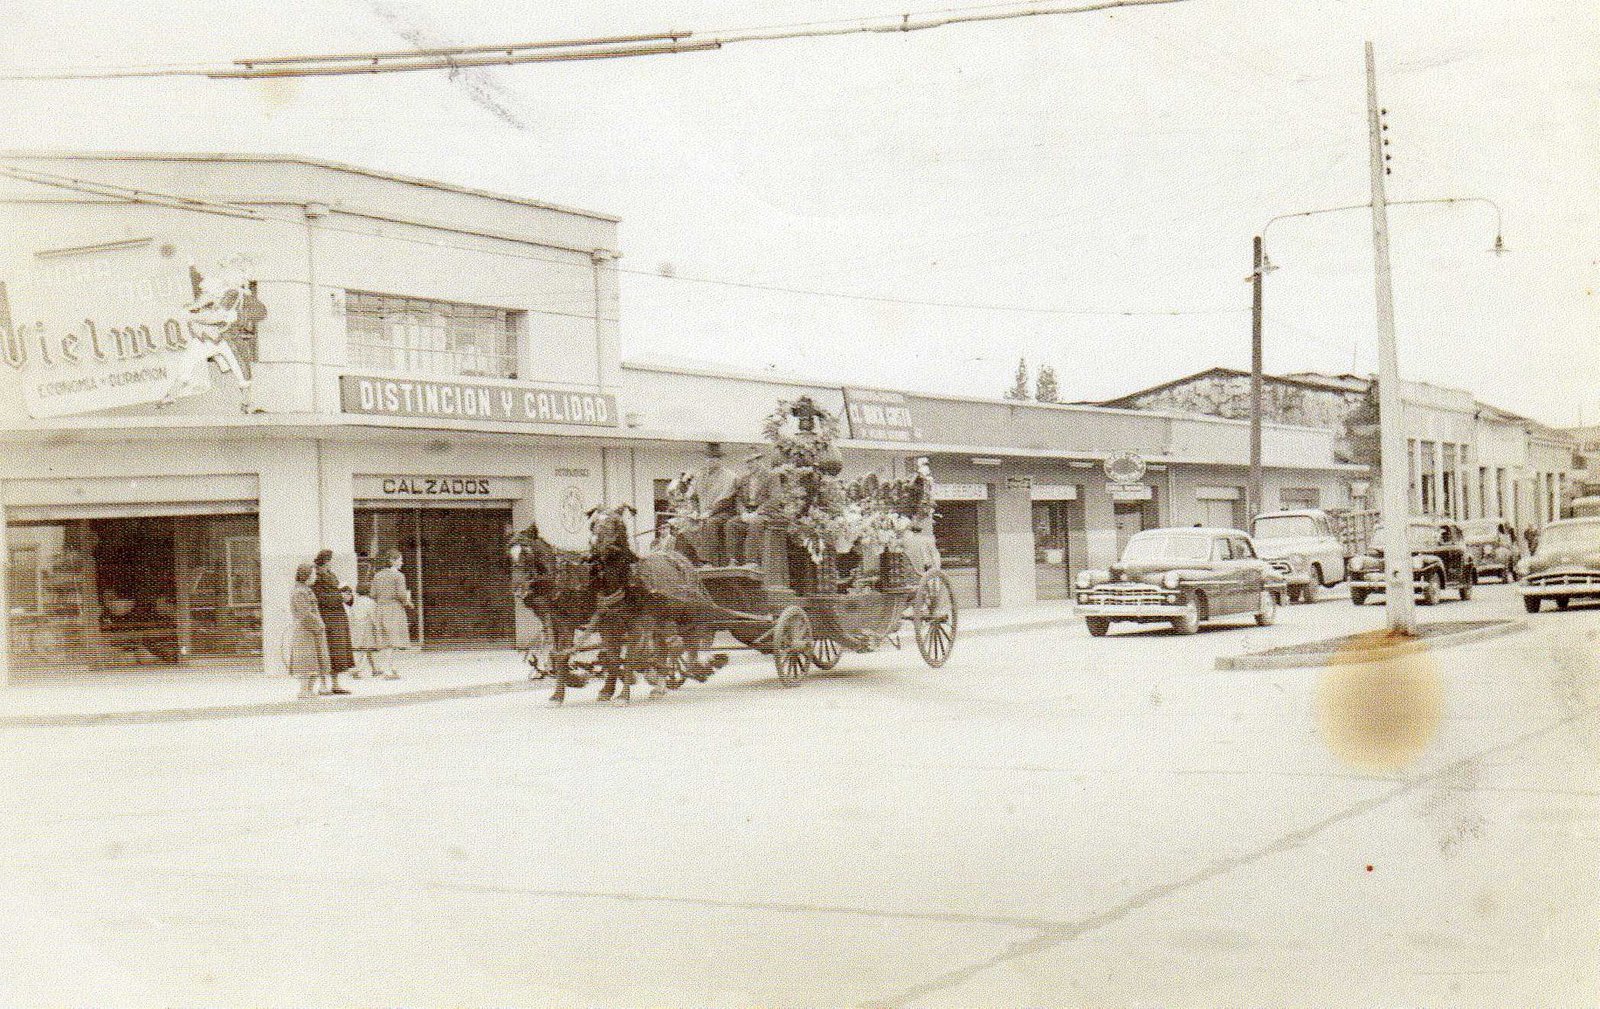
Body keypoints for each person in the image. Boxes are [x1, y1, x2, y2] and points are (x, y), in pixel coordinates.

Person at [723, 450, 779, 566]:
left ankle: (752, 561)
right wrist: (743, 512)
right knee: (731, 524)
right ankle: (734, 560)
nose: (749, 465)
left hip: (765, 513)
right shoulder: (744, 479)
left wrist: (758, 512)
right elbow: (738, 498)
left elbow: (774, 499)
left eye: (752, 462)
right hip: (748, 511)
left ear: (760, 461)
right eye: (747, 462)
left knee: (755, 523)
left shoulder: (772, 477)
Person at [686, 442, 739, 565]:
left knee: (710, 523)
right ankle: (688, 562)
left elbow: (726, 500)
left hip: (724, 513)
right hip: (703, 513)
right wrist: (695, 511)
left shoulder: (730, 476)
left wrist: (709, 512)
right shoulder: (700, 476)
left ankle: (709, 562)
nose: (711, 461)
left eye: (714, 458)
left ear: (720, 460)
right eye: (708, 458)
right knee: (683, 525)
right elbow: (693, 497)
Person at [311, 549, 354, 695]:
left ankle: (335, 684)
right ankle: (323, 685)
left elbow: (341, 588)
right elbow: (320, 597)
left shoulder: (331, 574)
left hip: (338, 616)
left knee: (338, 652)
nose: (330, 563)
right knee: (326, 651)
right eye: (328, 560)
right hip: (326, 617)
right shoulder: (316, 577)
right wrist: (340, 597)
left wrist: (348, 596)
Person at [369, 549, 414, 679]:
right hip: (394, 609)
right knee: (392, 640)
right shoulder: (399, 576)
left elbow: (373, 594)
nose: (402, 562)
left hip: (381, 609)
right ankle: (388, 669)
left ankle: (390, 667)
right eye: (400, 559)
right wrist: (407, 602)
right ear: (392, 561)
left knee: (385, 640)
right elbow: (401, 594)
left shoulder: (377, 575)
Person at [288, 563, 331, 699]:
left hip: (313, 630)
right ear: (306, 576)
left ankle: (309, 690)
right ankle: (304, 690)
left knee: (316, 660)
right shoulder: (300, 592)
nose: (315, 577)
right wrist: (319, 624)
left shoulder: (306, 590)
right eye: (313, 574)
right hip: (305, 631)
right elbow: (305, 613)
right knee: (307, 661)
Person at [344, 585, 381, 678]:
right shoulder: (370, 602)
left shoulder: (354, 602)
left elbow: (351, 615)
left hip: (355, 627)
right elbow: (373, 616)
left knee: (362, 650)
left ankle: (375, 669)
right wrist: (378, 627)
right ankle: (356, 670)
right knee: (365, 650)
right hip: (366, 628)